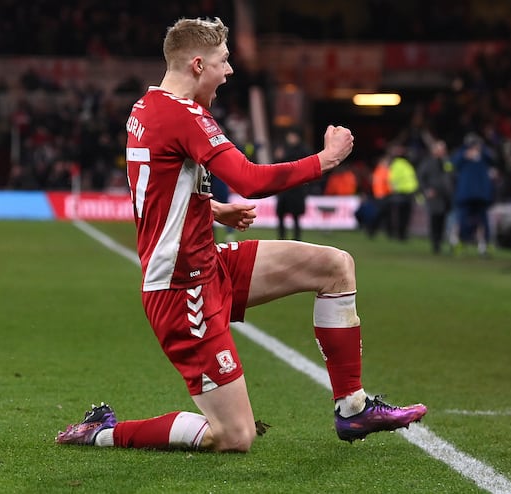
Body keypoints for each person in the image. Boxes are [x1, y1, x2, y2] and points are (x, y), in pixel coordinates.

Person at [56, 17, 426, 453]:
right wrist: (324, 160)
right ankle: (102, 432)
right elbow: (249, 179)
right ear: (198, 64)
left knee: (335, 266)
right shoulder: (184, 116)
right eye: (223, 61)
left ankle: (353, 408)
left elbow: (153, 189)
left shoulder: (146, 108)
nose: (229, 71)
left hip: (207, 265)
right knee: (233, 436)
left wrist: (211, 208)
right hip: (181, 291)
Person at [450, 133, 496, 256]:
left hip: (481, 194)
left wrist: (482, 150)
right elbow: (453, 164)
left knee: (483, 222)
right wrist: (465, 155)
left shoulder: (484, 154)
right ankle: (460, 244)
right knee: (462, 220)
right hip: (466, 194)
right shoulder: (462, 154)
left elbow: (493, 159)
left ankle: (483, 246)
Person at [418, 140, 454, 254]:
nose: (443, 151)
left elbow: (452, 176)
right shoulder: (427, 163)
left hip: (445, 196)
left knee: (443, 220)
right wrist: (426, 190)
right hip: (434, 196)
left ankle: (439, 242)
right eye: (440, 149)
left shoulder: (447, 162)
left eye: (444, 149)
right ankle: (435, 244)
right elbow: (420, 178)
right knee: (435, 219)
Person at [273, 129, 309, 241]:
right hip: (284, 189)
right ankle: (281, 238)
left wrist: (282, 157)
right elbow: (277, 167)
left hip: (296, 190)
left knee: (296, 217)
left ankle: (296, 239)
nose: (290, 139)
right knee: (280, 215)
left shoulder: (303, 151)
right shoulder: (284, 149)